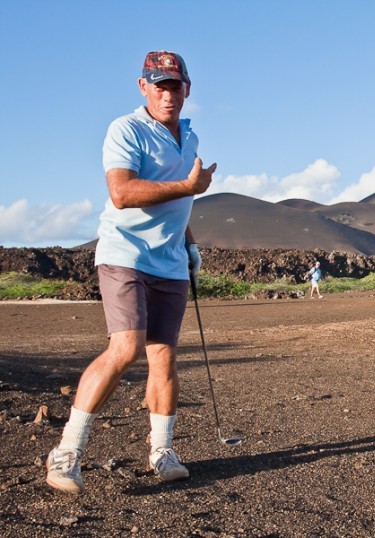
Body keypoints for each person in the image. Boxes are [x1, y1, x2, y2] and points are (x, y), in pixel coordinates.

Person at [46, 51, 217, 494]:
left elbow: (179, 200)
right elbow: (121, 193)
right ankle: (66, 452)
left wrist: (190, 241)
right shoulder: (125, 130)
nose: (167, 93)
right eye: (158, 85)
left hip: (171, 262)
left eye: (174, 85)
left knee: (163, 356)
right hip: (125, 254)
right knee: (126, 349)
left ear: (187, 89)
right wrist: (188, 187)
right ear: (143, 87)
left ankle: (162, 451)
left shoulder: (190, 138)